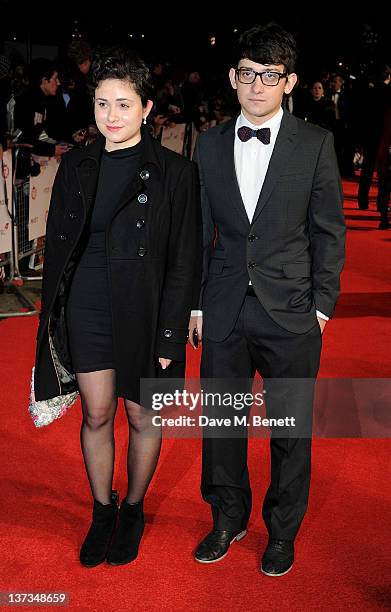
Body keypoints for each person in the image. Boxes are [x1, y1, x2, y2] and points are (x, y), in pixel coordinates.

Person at [33, 47, 200, 568]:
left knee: (143, 413)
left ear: (147, 108)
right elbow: (60, 251)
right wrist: (54, 319)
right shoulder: (77, 165)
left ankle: (132, 508)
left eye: (124, 105)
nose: (111, 116)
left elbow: (184, 262)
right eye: (103, 103)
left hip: (146, 308)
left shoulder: (175, 173)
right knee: (98, 411)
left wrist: (172, 333)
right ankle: (101, 510)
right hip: (87, 304)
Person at [190, 23, 345, 576]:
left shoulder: (316, 143)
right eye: (249, 73)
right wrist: (197, 306)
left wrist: (322, 307)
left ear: (290, 82)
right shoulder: (207, 144)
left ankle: (282, 531)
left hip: (293, 314)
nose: (258, 84)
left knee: (289, 433)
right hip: (226, 308)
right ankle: (227, 518)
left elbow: (329, 231)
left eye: (270, 75)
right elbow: (199, 232)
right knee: (222, 426)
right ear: (233, 78)